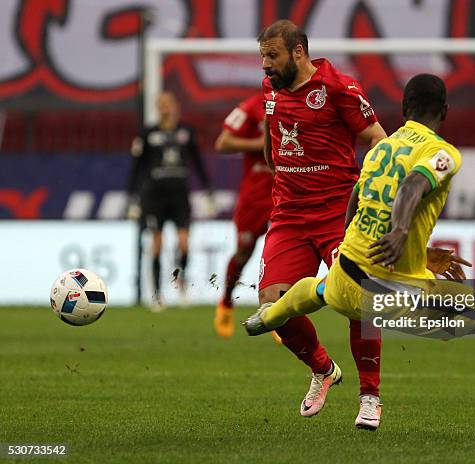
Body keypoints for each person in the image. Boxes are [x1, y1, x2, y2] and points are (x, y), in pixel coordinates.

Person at [245, 74, 475, 442]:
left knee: (320, 289)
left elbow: (356, 200)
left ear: (404, 109)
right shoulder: (443, 153)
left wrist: (380, 247)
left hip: (346, 278)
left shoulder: (380, 149)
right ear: (445, 111)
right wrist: (401, 233)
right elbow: (412, 186)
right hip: (390, 296)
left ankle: (271, 315)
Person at [257, 19, 388, 428]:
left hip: (337, 214)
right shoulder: (271, 90)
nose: (266, 66)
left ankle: (370, 397)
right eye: (262, 57)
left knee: (358, 302)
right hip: (290, 215)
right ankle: (323, 368)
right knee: (272, 307)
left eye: (272, 56)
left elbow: (379, 140)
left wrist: (369, 191)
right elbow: (271, 132)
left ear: (298, 52)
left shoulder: (339, 88)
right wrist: (276, 165)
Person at [127, 91, 213, 310]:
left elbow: (198, 162)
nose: (165, 108)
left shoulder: (186, 132)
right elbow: (137, 166)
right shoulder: (147, 133)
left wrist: (208, 189)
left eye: (169, 104)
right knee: (157, 245)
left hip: (179, 195)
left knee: (184, 243)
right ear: (157, 107)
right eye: (161, 104)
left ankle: (181, 284)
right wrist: (133, 197)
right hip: (154, 196)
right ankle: (156, 295)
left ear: (176, 107)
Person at [214, 94, 273, 337]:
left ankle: (279, 316)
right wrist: (261, 144)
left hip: (288, 189)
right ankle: (226, 302)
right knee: (244, 252)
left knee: (284, 254)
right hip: (256, 194)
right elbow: (223, 142)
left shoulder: (303, 101)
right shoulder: (251, 107)